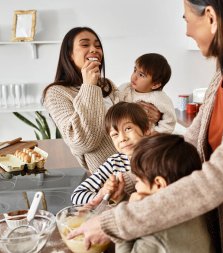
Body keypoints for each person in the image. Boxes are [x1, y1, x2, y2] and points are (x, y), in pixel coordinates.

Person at [68, 1, 223, 252]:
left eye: (187, 20)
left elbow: (217, 178)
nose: (187, 31)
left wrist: (115, 222)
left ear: (210, 17)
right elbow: (191, 145)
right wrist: (132, 180)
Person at [42, 27, 160, 173]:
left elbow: (133, 121)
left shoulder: (107, 84)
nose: (94, 50)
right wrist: (89, 86)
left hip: (142, 164)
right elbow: (84, 142)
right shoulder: (56, 93)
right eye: (85, 45)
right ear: (69, 54)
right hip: (108, 177)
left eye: (98, 46)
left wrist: (154, 116)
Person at [116, 133, 214, 253]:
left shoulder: (155, 234)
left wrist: (125, 215)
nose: (135, 186)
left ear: (159, 184)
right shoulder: (195, 206)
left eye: (138, 181)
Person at [71, 102, 151, 205]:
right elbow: (77, 195)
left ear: (146, 129)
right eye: (115, 134)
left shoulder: (159, 157)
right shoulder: (115, 162)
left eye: (128, 129)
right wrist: (104, 194)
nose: (122, 138)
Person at [119, 53, 176, 134]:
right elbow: (115, 105)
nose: (134, 76)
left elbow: (170, 121)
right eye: (135, 70)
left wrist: (155, 134)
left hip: (147, 139)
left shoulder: (159, 98)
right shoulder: (125, 88)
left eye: (141, 75)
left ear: (155, 84)